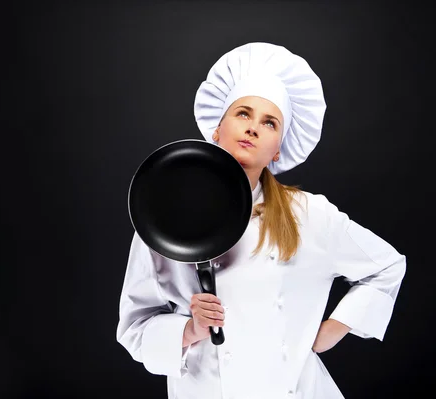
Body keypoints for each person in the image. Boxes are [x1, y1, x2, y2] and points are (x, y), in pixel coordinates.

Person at [116, 42, 407, 399]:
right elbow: (135, 327)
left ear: (279, 148)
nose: (253, 128)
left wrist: (335, 327)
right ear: (217, 128)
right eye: (243, 113)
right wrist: (191, 329)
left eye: (269, 122)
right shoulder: (164, 212)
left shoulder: (308, 215)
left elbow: (387, 266)